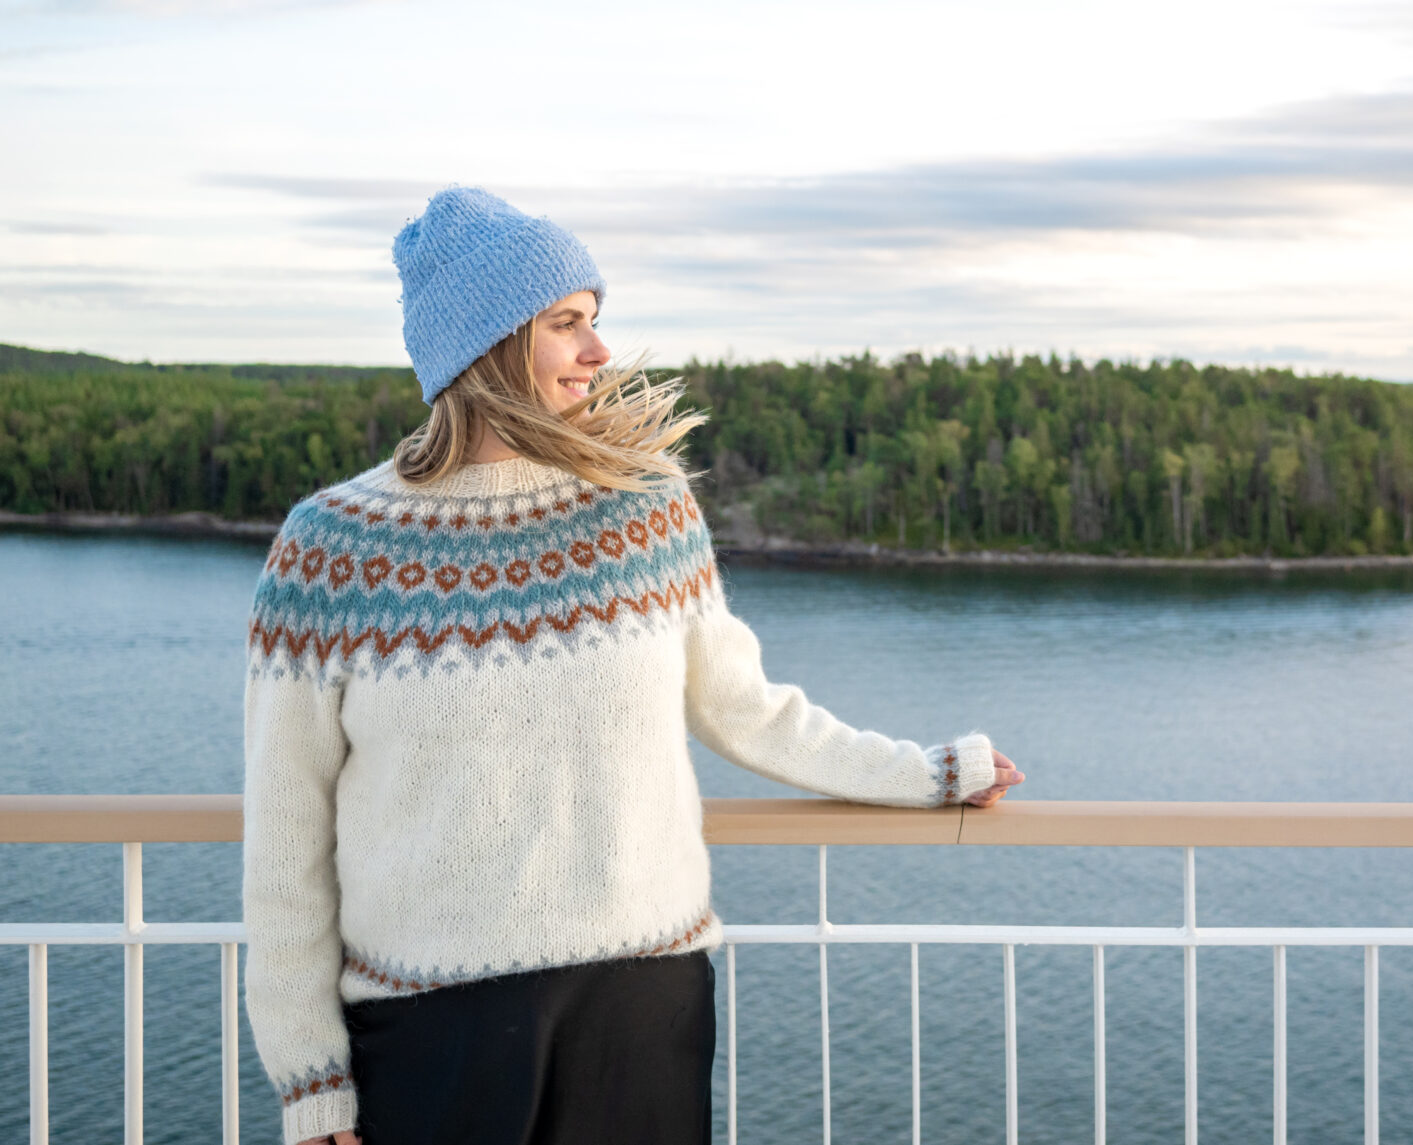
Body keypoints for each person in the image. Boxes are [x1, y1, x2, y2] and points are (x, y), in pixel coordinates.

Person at [242, 186, 1023, 1145]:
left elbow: (751, 711)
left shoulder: (643, 507)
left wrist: (930, 773)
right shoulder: (333, 548)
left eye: (595, 321)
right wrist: (309, 1077)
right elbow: (286, 834)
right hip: (428, 1024)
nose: (599, 352)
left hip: (644, 1003)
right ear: (488, 346)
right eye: (567, 324)